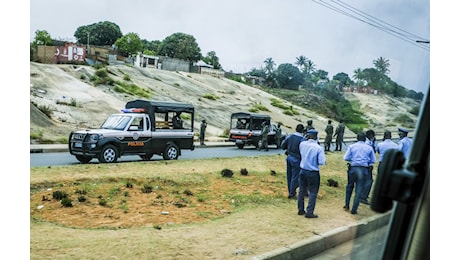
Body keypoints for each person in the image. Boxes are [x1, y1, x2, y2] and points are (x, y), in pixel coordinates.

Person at [343, 132, 376, 215]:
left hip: (353, 168)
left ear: (357, 138)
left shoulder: (352, 146)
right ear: (365, 139)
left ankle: (347, 205)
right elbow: (373, 161)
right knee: (359, 189)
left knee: (349, 186)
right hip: (363, 170)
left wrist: (353, 160)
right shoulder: (369, 148)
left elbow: (346, 157)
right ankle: (354, 209)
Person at [298, 129, 326, 218]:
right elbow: (321, 162)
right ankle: (309, 211)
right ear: (316, 137)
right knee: (313, 192)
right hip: (313, 171)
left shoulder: (302, 144)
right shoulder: (318, 148)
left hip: (303, 169)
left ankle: (300, 209)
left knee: (302, 190)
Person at [281, 124, 306, 199]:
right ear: (302, 130)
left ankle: (290, 191)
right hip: (297, 159)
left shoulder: (290, 137)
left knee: (289, 175)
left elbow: (283, 146)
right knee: (295, 176)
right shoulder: (302, 139)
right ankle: (292, 193)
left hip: (289, 157)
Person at [360, 129, 376, 205]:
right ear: (370, 136)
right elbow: (370, 156)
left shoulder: (368, 142)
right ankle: (363, 196)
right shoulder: (368, 144)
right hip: (366, 165)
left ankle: (362, 194)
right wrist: (370, 165)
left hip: (362, 165)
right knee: (369, 181)